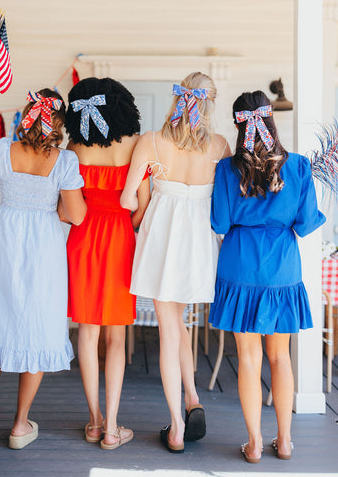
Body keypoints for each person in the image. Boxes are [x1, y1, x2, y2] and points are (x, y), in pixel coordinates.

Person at [0, 89, 87, 449]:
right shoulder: (65, 161)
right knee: (37, 325)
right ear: (58, 123)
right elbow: (78, 215)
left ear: (28, 115)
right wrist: (56, 208)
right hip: (44, 249)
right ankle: (20, 425)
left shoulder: (4, 149)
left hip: (3, 244)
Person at [208, 90, 325, 463]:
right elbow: (307, 225)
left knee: (247, 358)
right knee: (280, 358)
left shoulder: (227, 168)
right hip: (281, 269)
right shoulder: (299, 167)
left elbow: (220, 222)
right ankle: (286, 440)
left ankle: (255, 443)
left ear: (238, 124)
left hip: (240, 265)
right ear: (270, 119)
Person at [120, 72, 230, 453]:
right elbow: (226, 204)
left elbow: (127, 199)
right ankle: (192, 397)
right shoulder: (218, 145)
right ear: (210, 104)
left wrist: (144, 199)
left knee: (169, 331)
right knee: (178, 324)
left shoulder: (150, 141)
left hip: (162, 242)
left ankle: (179, 428)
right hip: (198, 244)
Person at [63, 77, 150, 450]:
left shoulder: (74, 148)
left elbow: (69, 211)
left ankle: (95, 420)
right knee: (116, 335)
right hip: (121, 240)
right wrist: (122, 228)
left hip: (83, 240)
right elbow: (142, 205)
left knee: (87, 331)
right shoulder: (135, 146)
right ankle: (113, 428)